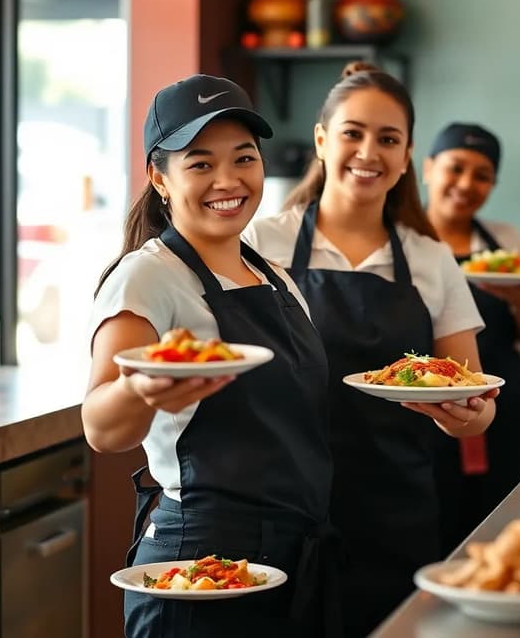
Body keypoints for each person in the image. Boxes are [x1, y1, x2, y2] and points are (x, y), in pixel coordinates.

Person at [82, 74, 339, 638]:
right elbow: (101, 427)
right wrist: (141, 387)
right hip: (200, 564)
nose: (228, 180)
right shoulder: (147, 275)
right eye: (200, 164)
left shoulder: (274, 277)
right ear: (159, 178)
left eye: (244, 158)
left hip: (291, 559)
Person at [243, 66, 497, 637]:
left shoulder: (431, 259)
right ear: (321, 140)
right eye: (352, 133)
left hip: (396, 515)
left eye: (388, 139)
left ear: (406, 156)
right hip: (282, 510)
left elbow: (478, 402)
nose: (368, 152)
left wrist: (463, 414)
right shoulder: (261, 244)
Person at [423, 122, 520, 553]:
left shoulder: (504, 243)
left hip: (502, 414)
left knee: (501, 535)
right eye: (455, 168)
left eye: (482, 175)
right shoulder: (401, 242)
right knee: (430, 533)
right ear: (428, 169)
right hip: (423, 416)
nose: (466, 184)